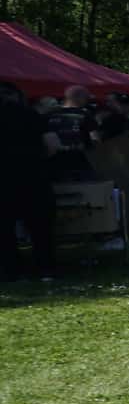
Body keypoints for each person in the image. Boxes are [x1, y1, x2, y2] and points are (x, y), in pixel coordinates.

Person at [0, 82, 59, 280]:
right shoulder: (34, 116)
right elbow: (52, 145)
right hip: (34, 176)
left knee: (4, 229)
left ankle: (12, 271)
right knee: (40, 226)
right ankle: (46, 268)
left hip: (4, 179)